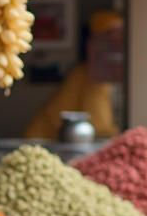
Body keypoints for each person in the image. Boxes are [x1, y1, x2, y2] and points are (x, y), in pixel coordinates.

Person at [24, 11, 120, 140]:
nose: (116, 41)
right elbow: (100, 125)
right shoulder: (92, 75)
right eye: (109, 35)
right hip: (44, 138)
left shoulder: (95, 73)